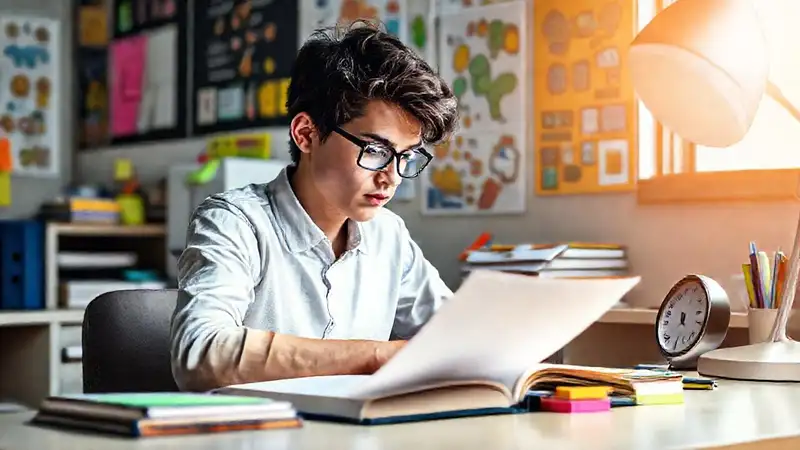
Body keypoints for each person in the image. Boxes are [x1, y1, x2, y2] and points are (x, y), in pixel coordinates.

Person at [170, 23, 459, 392]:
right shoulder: (235, 222)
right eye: (375, 150)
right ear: (306, 134)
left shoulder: (388, 234)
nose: (392, 178)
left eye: (406, 157)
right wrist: (374, 356)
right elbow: (200, 353)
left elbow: (454, 337)